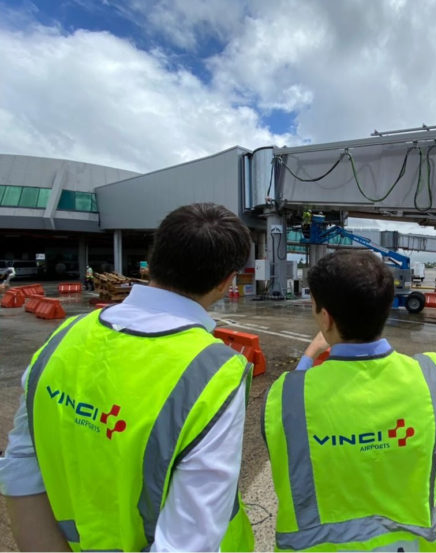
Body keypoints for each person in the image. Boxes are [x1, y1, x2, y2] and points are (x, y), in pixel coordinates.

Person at [0, 203, 255, 552]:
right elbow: (188, 541)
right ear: (227, 281)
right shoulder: (214, 371)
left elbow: (20, 470)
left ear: (151, 260)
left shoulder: (65, 336)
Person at [262, 250, 436, 551]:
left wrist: (308, 357)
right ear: (386, 308)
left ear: (325, 318)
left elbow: (291, 408)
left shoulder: (286, 395)